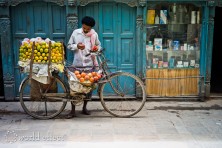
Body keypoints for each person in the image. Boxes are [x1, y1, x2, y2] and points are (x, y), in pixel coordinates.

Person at [67, 16, 101, 118]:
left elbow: (99, 46)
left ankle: (84, 108)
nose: (86, 30)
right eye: (85, 28)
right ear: (82, 25)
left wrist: (96, 48)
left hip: (89, 64)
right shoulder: (76, 33)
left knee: (88, 88)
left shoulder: (94, 35)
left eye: (88, 29)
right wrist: (77, 46)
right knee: (74, 88)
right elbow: (69, 45)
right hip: (77, 64)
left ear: (91, 28)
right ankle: (72, 110)